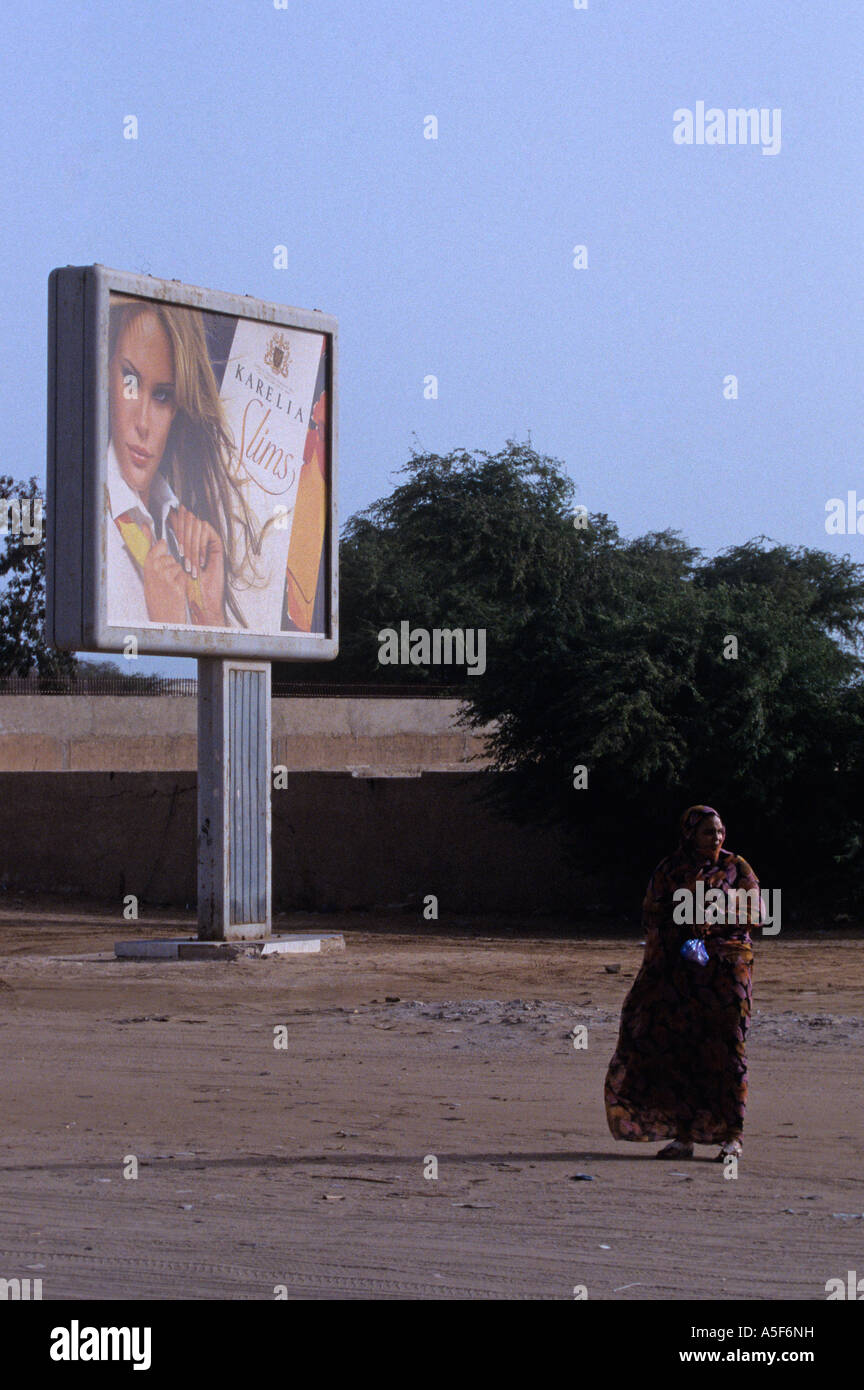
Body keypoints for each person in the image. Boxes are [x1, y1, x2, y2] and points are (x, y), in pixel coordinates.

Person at [604, 804, 760, 1161]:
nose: (716, 838)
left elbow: (759, 913)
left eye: (720, 831)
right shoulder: (671, 869)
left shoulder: (736, 868)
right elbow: (652, 913)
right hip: (681, 976)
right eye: (709, 832)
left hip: (726, 976)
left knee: (728, 1050)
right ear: (690, 834)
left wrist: (713, 911)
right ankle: (684, 1135)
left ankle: (732, 1136)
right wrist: (682, 917)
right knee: (683, 1052)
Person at [106, 299, 261, 628]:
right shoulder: (93, 527)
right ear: (104, 373)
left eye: (163, 396)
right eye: (130, 383)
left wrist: (209, 613)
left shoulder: (186, 532)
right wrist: (168, 626)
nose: (144, 424)